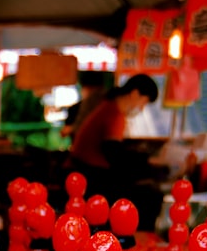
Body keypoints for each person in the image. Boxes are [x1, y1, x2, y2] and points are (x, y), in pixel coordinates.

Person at [66, 73, 158, 204]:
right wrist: (145, 161)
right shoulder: (114, 113)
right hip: (89, 175)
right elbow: (113, 152)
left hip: (84, 170)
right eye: (144, 101)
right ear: (135, 93)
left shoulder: (109, 105)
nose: (142, 107)